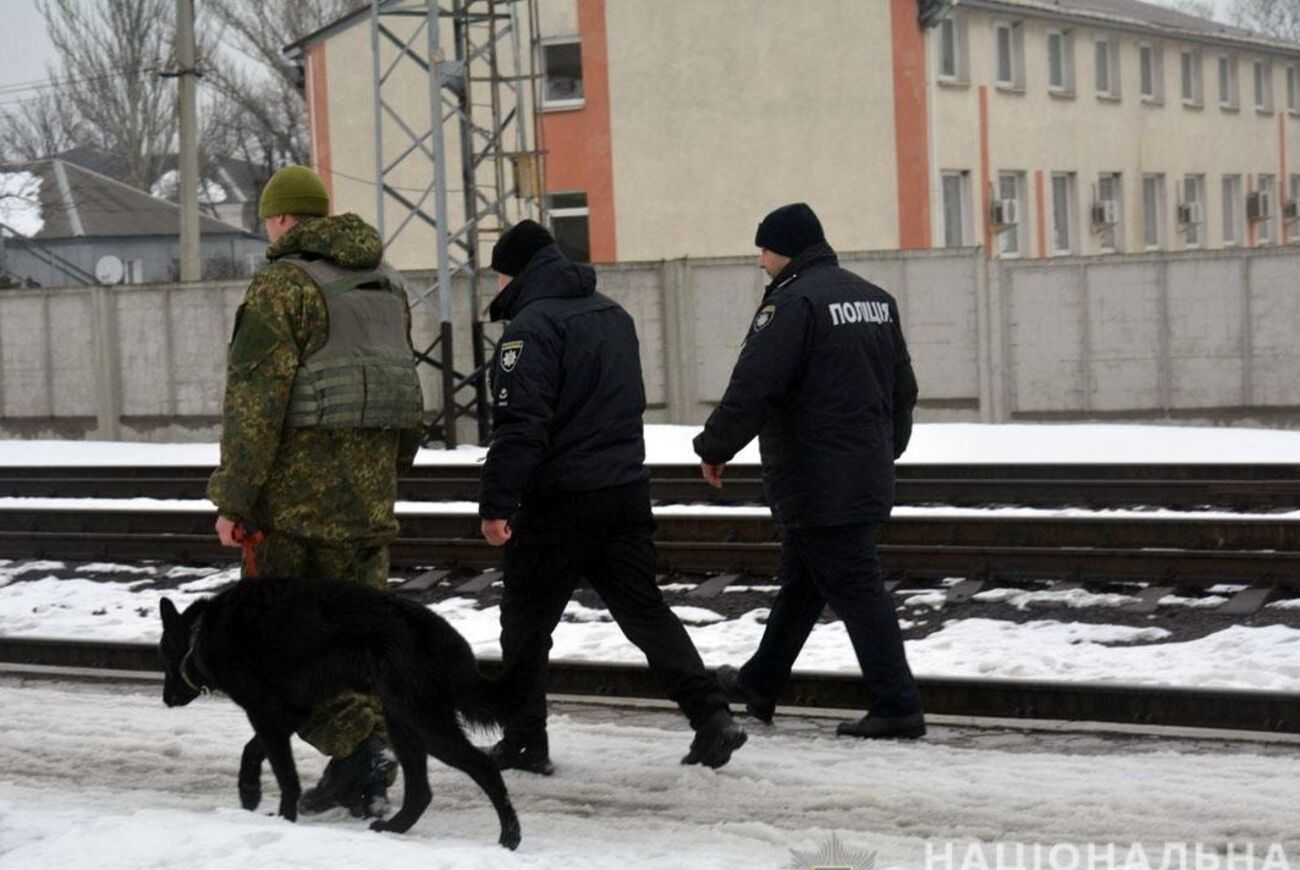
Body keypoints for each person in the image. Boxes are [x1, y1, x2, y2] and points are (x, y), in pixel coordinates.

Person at [478, 220, 747, 774]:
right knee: (645, 612)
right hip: (623, 490)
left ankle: (526, 741)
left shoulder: (531, 327)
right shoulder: (612, 314)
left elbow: (521, 425)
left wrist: (497, 503)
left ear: (517, 271)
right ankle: (712, 716)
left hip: (559, 500)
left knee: (525, 625)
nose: (497, 284)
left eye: (500, 273)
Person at [206, 165, 425, 813]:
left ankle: (359, 749)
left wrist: (235, 498)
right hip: (371, 501)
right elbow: (403, 390)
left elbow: (255, 401)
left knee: (274, 646)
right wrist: (386, 476)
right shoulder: (385, 283)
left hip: (297, 510)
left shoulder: (282, 287)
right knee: (359, 639)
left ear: (278, 220)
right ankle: (366, 755)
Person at [693, 202, 926, 739]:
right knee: (803, 582)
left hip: (817, 476)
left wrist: (715, 445)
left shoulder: (794, 303)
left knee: (859, 588)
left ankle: (898, 704)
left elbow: (755, 384)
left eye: (765, 249)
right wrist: (882, 450)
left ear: (787, 249)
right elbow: (902, 390)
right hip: (857, 469)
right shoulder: (874, 300)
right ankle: (760, 681)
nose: (760, 262)